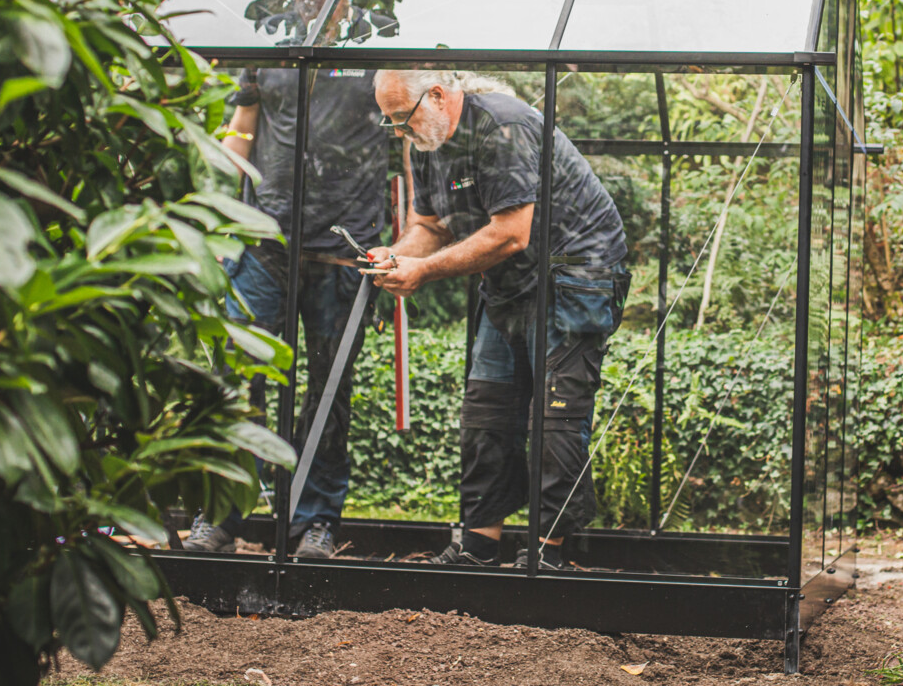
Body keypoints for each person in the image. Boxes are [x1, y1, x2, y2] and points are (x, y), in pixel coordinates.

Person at [369, 69, 631, 569]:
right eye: (392, 123)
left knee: (555, 414)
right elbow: (430, 225)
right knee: (486, 410)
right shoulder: (426, 142)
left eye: (402, 118)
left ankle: (548, 555)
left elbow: (512, 233)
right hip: (509, 282)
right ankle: (478, 546)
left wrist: (423, 271)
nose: (400, 131)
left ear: (438, 96)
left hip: (576, 274)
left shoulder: (503, 127)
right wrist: (398, 256)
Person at [183, 64, 387, 558]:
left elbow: (405, 137)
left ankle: (315, 519)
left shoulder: (374, 50)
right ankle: (221, 512)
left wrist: (402, 242)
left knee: (328, 386)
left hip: (342, 248)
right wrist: (212, 216)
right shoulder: (271, 48)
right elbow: (242, 129)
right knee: (237, 374)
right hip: (263, 242)